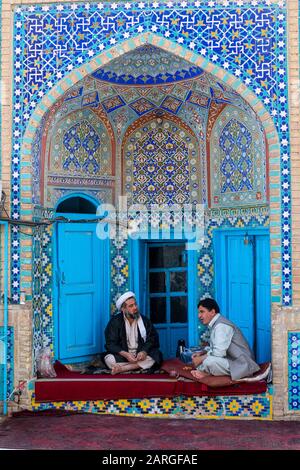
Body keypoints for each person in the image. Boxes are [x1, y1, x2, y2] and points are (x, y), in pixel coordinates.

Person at [191, 298, 260, 381]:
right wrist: (202, 353)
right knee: (205, 361)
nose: (199, 316)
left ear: (212, 312)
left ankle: (207, 374)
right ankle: (208, 372)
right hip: (233, 361)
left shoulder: (221, 326)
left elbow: (218, 353)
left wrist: (201, 358)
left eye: (202, 312)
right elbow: (216, 348)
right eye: (199, 312)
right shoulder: (216, 324)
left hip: (243, 365)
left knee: (209, 362)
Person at [103, 291, 163, 375]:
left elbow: (152, 338)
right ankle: (137, 366)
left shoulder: (144, 321)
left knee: (156, 356)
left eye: (135, 304)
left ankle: (124, 368)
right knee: (109, 359)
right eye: (131, 306)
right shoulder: (115, 322)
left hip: (140, 355)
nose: (135, 308)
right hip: (124, 355)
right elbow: (110, 344)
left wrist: (144, 351)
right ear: (123, 309)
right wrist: (126, 354)